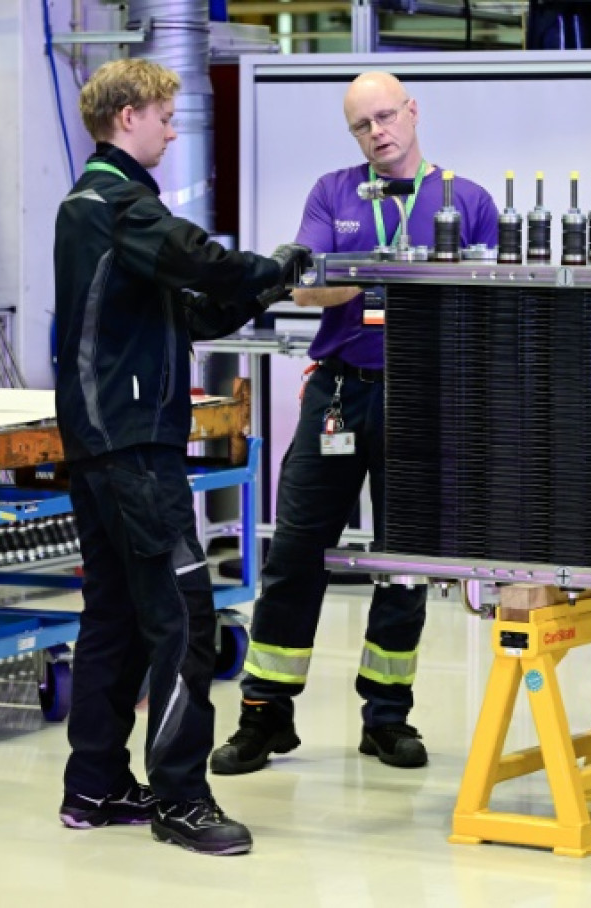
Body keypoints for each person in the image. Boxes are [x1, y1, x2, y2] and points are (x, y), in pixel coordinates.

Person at [52, 58, 310, 855]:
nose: (172, 130)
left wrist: (268, 288)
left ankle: (92, 786)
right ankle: (181, 800)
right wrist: (273, 264)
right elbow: (199, 257)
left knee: (118, 617)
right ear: (127, 115)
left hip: (107, 444)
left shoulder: (108, 214)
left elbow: (188, 313)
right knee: (183, 616)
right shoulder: (113, 202)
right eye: (165, 116)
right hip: (130, 446)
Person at [210, 72, 498, 775]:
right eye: (363, 124)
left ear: (412, 111)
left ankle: (387, 717)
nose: (378, 132)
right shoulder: (333, 192)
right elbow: (308, 284)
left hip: (421, 397)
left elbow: (485, 300)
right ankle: (264, 714)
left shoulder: (467, 199)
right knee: (295, 552)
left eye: (386, 116)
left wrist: (373, 275)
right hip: (339, 393)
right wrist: (381, 273)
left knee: (403, 562)